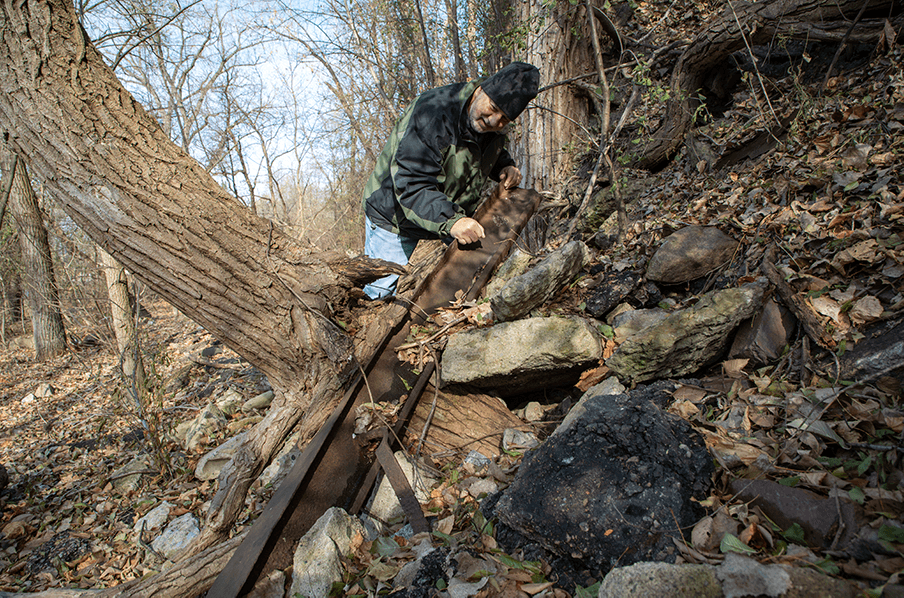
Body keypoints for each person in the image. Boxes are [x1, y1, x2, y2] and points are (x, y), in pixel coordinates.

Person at [362, 61, 540, 298]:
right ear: (480, 90)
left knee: (479, 271)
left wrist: (504, 165)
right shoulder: (433, 113)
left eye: (504, 118)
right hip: (393, 214)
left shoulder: (489, 125)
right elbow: (411, 185)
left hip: (443, 208)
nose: (494, 120)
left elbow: (484, 148)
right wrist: (453, 221)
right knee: (378, 292)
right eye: (493, 107)